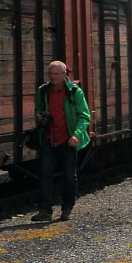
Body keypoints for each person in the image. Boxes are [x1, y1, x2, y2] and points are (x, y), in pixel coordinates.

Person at [31, 61, 91, 222]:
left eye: (56, 74)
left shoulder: (74, 92)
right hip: (49, 138)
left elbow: (84, 116)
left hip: (67, 139)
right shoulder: (43, 90)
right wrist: (39, 116)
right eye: (50, 73)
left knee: (69, 176)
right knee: (44, 175)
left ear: (64, 74)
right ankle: (44, 210)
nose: (53, 77)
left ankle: (67, 208)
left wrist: (76, 135)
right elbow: (37, 108)